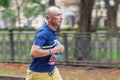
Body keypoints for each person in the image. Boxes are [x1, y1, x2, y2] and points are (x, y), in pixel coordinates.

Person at [26, 6, 64, 80]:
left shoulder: (51, 31)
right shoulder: (43, 32)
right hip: (39, 74)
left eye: (61, 14)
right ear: (48, 18)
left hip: (52, 71)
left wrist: (59, 48)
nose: (61, 17)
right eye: (58, 15)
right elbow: (34, 53)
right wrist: (54, 50)